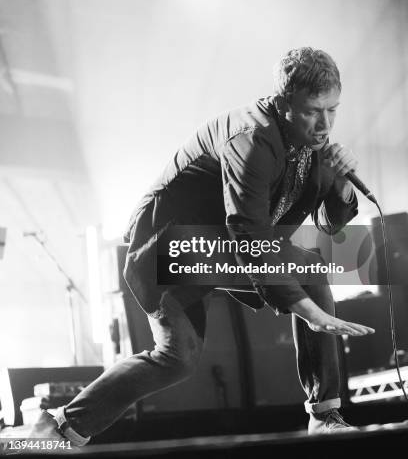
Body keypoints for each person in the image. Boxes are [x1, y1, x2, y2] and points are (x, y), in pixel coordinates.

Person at [30, 47, 374, 444]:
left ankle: (61, 425)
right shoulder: (251, 140)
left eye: (333, 110)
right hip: (169, 246)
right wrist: (309, 310)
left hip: (214, 248)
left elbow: (330, 226)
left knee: (179, 357)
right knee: (184, 354)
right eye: (315, 110)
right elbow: (250, 234)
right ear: (284, 103)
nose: (325, 124)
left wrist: (342, 179)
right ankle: (58, 426)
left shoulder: (311, 145)